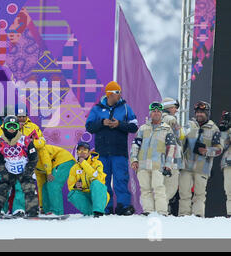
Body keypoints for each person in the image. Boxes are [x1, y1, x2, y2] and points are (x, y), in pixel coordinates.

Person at [85, 81, 138, 215]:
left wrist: (119, 124)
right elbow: (89, 127)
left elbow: (134, 126)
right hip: (102, 152)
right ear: (109, 94)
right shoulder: (97, 109)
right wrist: (102, 123)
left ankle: (123, 206)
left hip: (119, 151)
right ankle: (105, 207)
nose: (120, 95)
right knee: (103, 180)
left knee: (121, 179)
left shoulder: (126, 107)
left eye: (120, 92)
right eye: (117, 93)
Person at [0, 104, 51, 216]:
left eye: (23, 116)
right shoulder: (6, 126)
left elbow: (42, 142)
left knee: (21, 186)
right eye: (19, 116)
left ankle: (19, 209)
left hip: (24, 162)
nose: (21, 119)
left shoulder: (32, 127)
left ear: (27, 116)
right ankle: (1, 208)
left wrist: (30, 144)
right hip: (9, 161)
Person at [0, 115, 39, 217]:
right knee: (2, 187)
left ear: (18, 127)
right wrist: (3, 172)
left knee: (22, 188)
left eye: (14, 126)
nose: (11, 129)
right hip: (8, 169)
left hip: (24, 170)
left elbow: (34, 157)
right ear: (4, 126)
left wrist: (28, 171)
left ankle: (20, 209)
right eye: (9, 126)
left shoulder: (25, 140)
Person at [130, 102, 177, 216]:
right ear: (150, 113)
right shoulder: (143, 128)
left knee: (158, 188)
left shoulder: (167, 129)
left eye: (158, 111)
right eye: (154, 111)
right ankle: (148, 210)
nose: (156, 113)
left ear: (161, 114)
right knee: (145, 189)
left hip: (158, 164)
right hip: (142, 164)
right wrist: (134, 160)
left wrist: (168, 164)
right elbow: (135, 145)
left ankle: (162, 211)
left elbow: (171, 148)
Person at [179, 101, 223, 217]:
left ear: (207, 113)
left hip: (203, 167)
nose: (199, 114)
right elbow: (180, 139)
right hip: (186, 166)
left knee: (199, 194)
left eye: (202, 112)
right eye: (197, 112)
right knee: (184, 193)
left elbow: (219, 149)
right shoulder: (189, 125)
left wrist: (207, 151)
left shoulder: (214, 129)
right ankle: (183, 216)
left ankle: (198, 216)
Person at [66, 141, 109, 217]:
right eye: (79, 150)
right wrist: (75, 186)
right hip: (85, 195)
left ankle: (99, 212)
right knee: (72, 194)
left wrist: (84, 163)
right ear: (77, 152)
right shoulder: (74, 168)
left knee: (96, 183)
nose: (82, 152)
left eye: (85, 150)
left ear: (89, 152)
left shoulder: (97, 163)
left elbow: (98, 178)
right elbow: (70, 185)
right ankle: (90, 213)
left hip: (99, 195)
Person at [34, 144, 76, 215]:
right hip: (53, 164)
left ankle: (57, 212)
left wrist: (49, 172)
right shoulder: (34, 166)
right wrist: (41, 207)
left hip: (64, 159)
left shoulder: (39, 148)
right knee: (44, 186)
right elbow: (40, 186)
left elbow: (46, 158)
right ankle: (46, 210)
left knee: (53, 184)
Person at [161, 97, 184, 215]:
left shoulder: (154, 119)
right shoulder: (172, 120)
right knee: (170, 189)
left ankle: (159, 210)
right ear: (169, 107)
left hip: (159, 159)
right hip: (172, 160)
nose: (176, 110)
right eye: (175, 107)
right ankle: (162, 211)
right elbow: (180, 136)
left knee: (160, 187)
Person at [218, 111, 231, 217]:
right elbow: (223, 146)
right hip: (229, 162)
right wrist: (224, 130)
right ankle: (230, 214)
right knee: (229, 190)